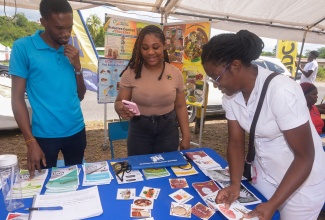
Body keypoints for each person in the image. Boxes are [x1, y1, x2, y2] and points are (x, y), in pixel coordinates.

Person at [201, 30, 325, 219]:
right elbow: (235, 142)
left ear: (235, 65)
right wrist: (235, 184)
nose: (216, 85)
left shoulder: (281, 91)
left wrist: (273, 204)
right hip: (266, 175)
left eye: (216, 77)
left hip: (301, 184)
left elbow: (305, 157)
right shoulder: (231, 95)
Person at [9, 0, 87, 178]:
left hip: (76, 130)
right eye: (60, 28)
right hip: (44, 136)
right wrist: (30, 142)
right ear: (43, 22)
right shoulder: (23, 48)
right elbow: (17, 99)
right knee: (42, 184)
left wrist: (78, 67)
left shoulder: (71, 49)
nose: (66, 33)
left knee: (75, 180)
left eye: (69, 27)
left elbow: (80, 95)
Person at [114, 25, 190, 156]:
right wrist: (120, 107)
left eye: (155, 47)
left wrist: (186, 136)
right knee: (140, 168)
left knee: (168, 167)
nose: (150, 52)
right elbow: (119, 102)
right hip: (139, 130)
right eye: (145, 48)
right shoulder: (131, 73)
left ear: (164, 46)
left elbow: (181, 106)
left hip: (168, 129)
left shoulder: (175, 73)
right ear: (139, 49)